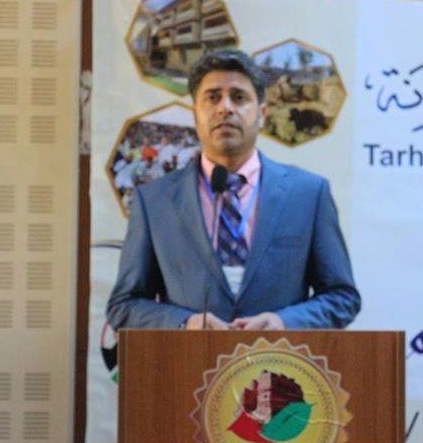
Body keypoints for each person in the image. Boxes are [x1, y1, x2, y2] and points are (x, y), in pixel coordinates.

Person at [106, 50, 360, 331]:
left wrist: (285, 322)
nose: (225, 108)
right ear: (195, 114)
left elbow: (342, 297)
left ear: (262, 114)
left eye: (239, 97)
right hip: (189, 357)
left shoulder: (309, 194)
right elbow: (124, 306)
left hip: (278, 357)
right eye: (212, 97)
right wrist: (184, 324)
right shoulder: (154, 201)